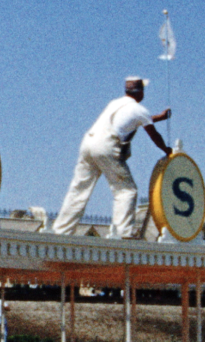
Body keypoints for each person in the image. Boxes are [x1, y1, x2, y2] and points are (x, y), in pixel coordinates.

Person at [53, 77, 172, 238]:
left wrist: (160, 117)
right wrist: (166, 149)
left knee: (79, 188)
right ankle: (123, 233)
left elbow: (136, 120)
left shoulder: (115, 103)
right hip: (106, 145)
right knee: (126, 190)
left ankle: (61, 231)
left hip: (89, 143)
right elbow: (153, 134)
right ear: (141, 92)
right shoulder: (139, 110)